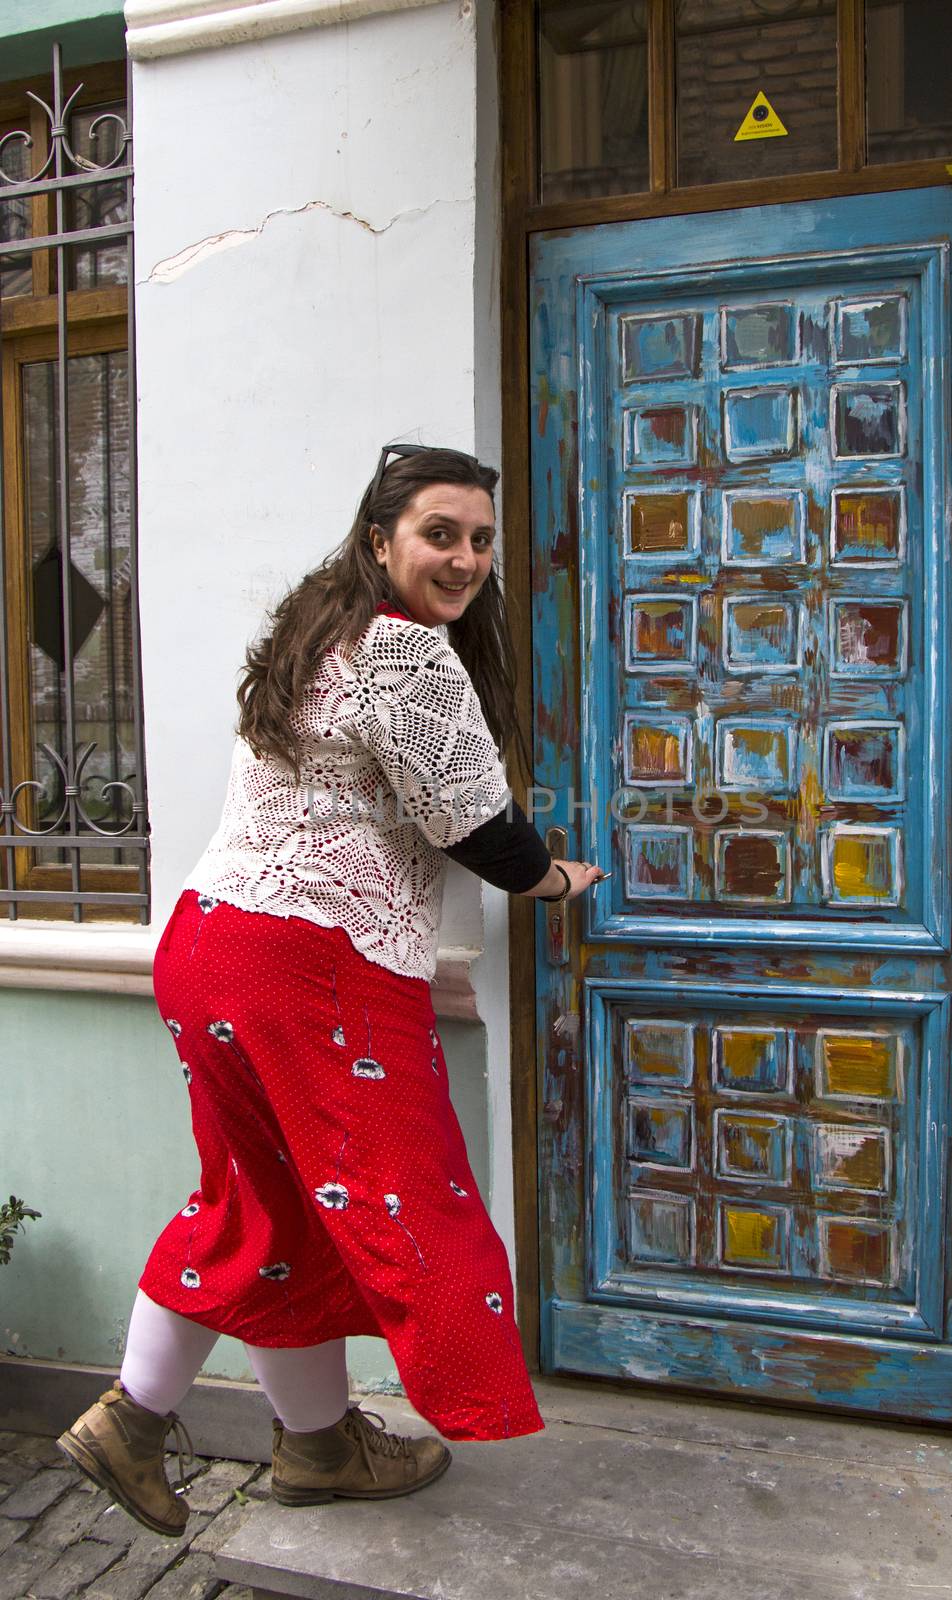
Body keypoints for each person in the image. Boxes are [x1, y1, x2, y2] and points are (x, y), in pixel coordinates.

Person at [56, 445, 602, 1536]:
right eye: (439, 533)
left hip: (212, 945)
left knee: (271, 1204)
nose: (464, 557)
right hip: (315, 964)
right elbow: (478, 830)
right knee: (415, 1204)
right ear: (379, 540)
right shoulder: (406, 655)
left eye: (479, 539)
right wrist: (554, 878)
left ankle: (315, 1445)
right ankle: (135, 1415)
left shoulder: (320, 630)